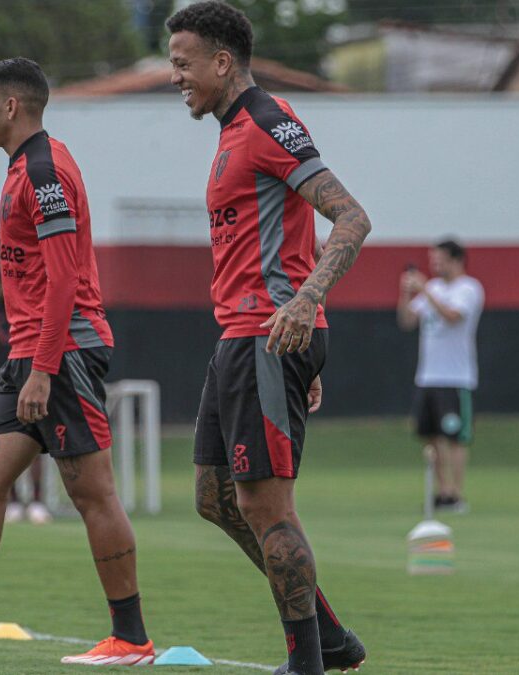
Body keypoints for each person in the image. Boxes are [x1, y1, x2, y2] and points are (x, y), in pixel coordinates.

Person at [167, 4, 372, 673]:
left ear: (222, 62)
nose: (176, 76)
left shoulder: (265, 120)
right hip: (240, 337)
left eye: (182, 63)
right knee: (214, 496)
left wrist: (308, 303)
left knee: (264, 505)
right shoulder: (229, 133)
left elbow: (350, 217)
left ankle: (308, 661)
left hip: (268, 336)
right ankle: (331, 635)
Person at [0, 58, 153, 665]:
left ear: (11, 106)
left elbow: (63, 281)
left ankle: (131, 638)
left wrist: (43, 368)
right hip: (31, 352)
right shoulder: (20, 168)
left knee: (91, 493)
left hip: (62, 352)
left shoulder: (44, 170)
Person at [397, 240, 484, 514]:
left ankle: (456, 495)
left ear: (456, 260)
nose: (435, 265)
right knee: (430, 436)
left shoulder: (469, 288)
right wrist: (406, 294)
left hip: (456, 377)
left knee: (455, 437)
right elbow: (407, 321)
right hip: (428, 376)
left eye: (440, 259)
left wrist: (424, 290)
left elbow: (453, 316)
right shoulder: (432, 288)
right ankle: (442, 491)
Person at [0, 283, 52, 525]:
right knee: (6, 445)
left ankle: (36, 499)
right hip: (5, 383)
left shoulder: (32, 307)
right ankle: (13, 500)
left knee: (37, 443)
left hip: (31, 379)